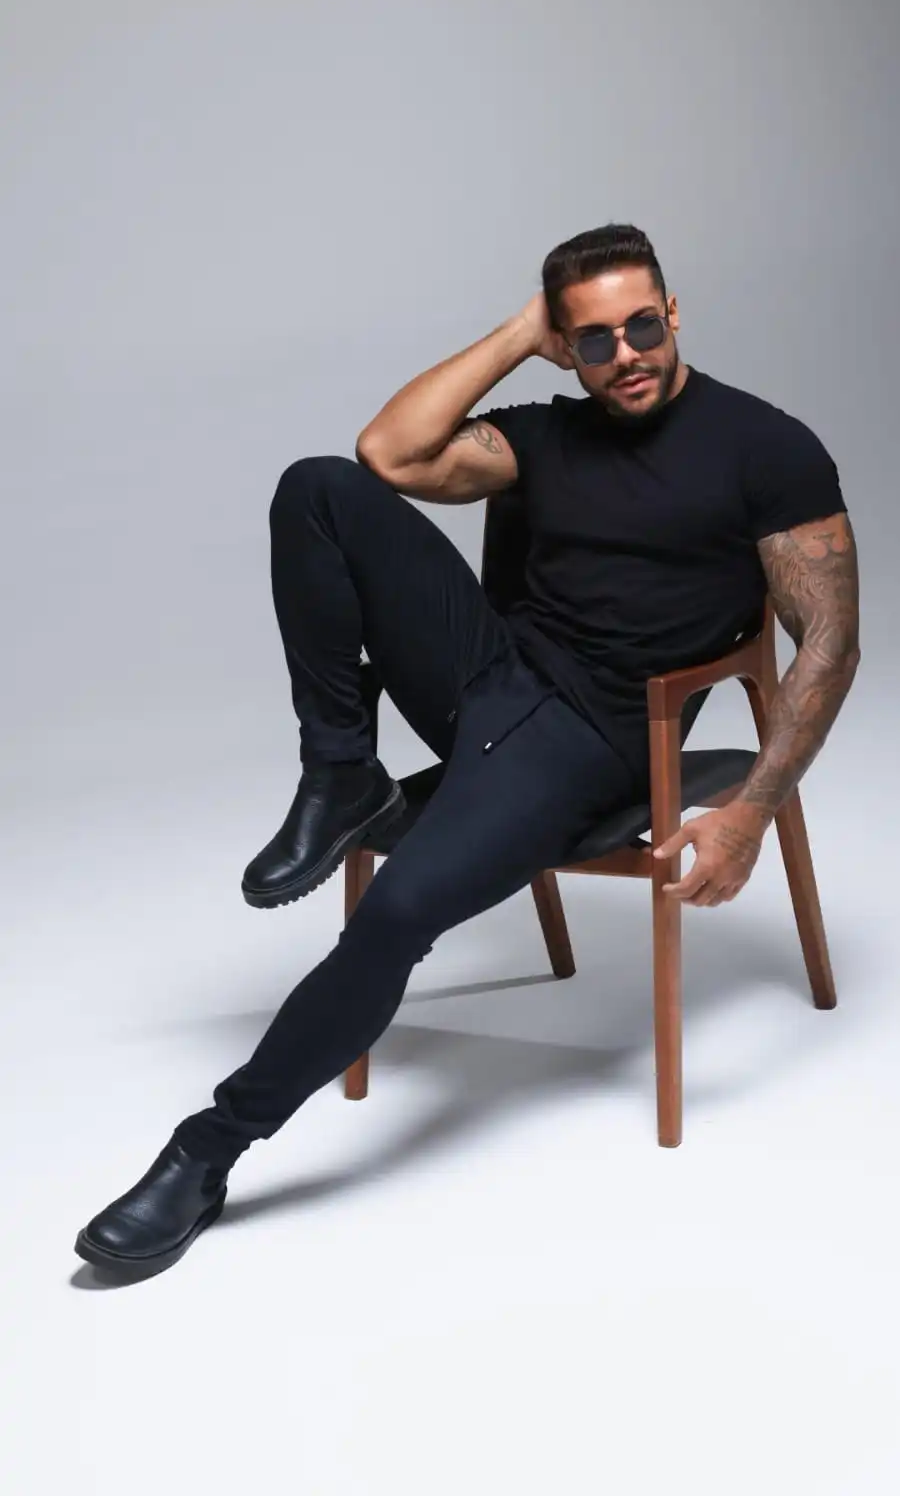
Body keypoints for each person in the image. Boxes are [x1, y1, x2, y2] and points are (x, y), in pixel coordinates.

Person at [74, 224, 860, 1277]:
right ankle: (340, 773)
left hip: (596, 743)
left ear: (673, 314)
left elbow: (831, 644)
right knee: (318, 486)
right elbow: (388, 453)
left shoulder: (766, 447)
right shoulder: (548, 433)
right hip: (490, 677)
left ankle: (203, 1153)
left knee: (399, 915)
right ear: (565, 346)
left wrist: (750, 811)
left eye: (641, 326)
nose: (625, 354)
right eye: (593, 340)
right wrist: (520, 333)